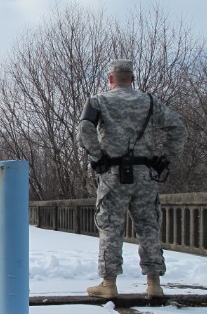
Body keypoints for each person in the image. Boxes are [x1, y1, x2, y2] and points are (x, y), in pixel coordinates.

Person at [77, 59, 187, 299]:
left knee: (110, 227)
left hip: (113, 174)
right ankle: (154, 283)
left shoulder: (99, 101)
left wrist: (98, 156)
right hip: (145, 174)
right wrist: (164, 159)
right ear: (132, 78)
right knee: (149, 226)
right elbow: (178, 127)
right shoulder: (149, 101)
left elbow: (84, 127)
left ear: (111, 79)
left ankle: (109, 283)